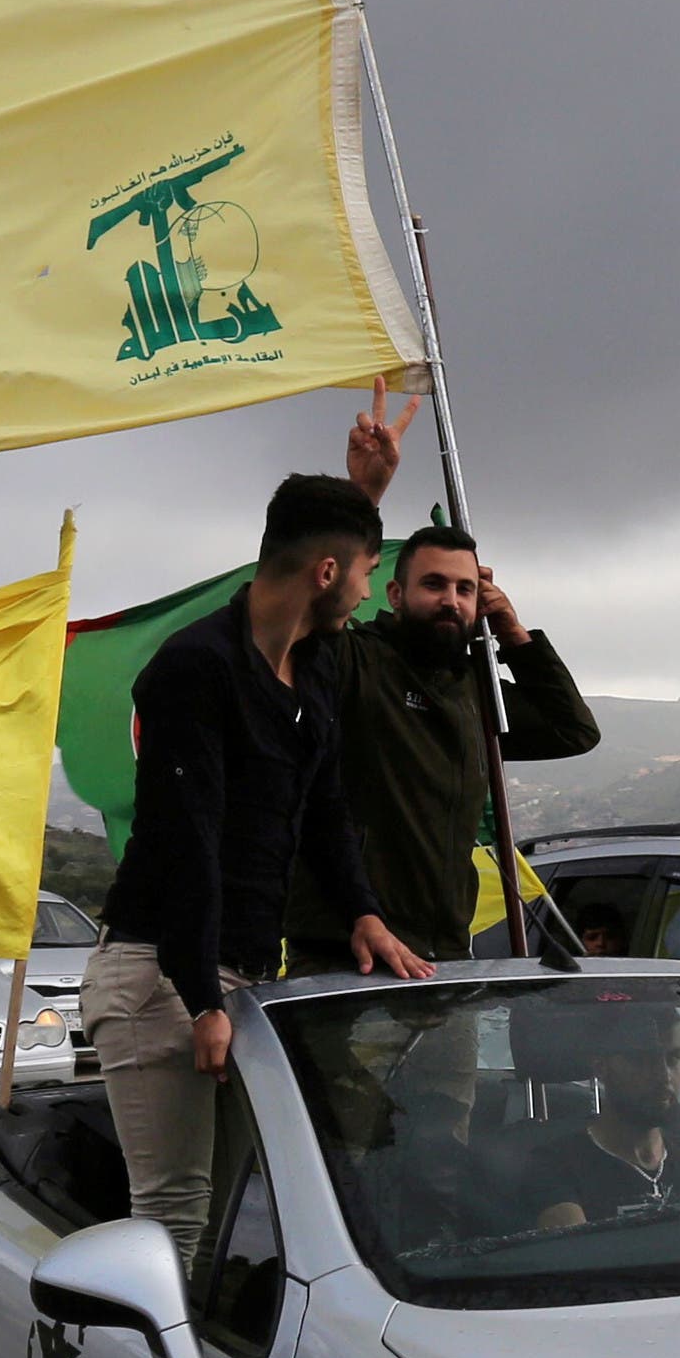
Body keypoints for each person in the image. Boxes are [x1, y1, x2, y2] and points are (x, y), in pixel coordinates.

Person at [83, 473, 433, 1266]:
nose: (371, 591)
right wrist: (202, 997)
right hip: (158, 972)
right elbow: (188, 842)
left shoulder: (309, 668)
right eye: (369, 570)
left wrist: (362, 911)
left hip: (238, 977)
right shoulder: (195, 669)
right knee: (172, 1223)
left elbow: (325, 809)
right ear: (327, 573)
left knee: (237, 1220)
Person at [286, 380, 602, 980]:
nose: (451, 601)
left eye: (465, 589)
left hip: (443, 957)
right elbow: (307, 603)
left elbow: (572, 730)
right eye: (434, 585)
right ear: (396, 593)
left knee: (445, 1083)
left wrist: (513, 630)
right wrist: (360, 497)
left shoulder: (472, 693)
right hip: (346, 951)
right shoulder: (354, 664)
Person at [529, 995, 680, 1227]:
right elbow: (575, 1256)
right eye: (644, 1059)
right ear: (601, 1066)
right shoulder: (556, 1166)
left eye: (673, 1058)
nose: (664, 1076)